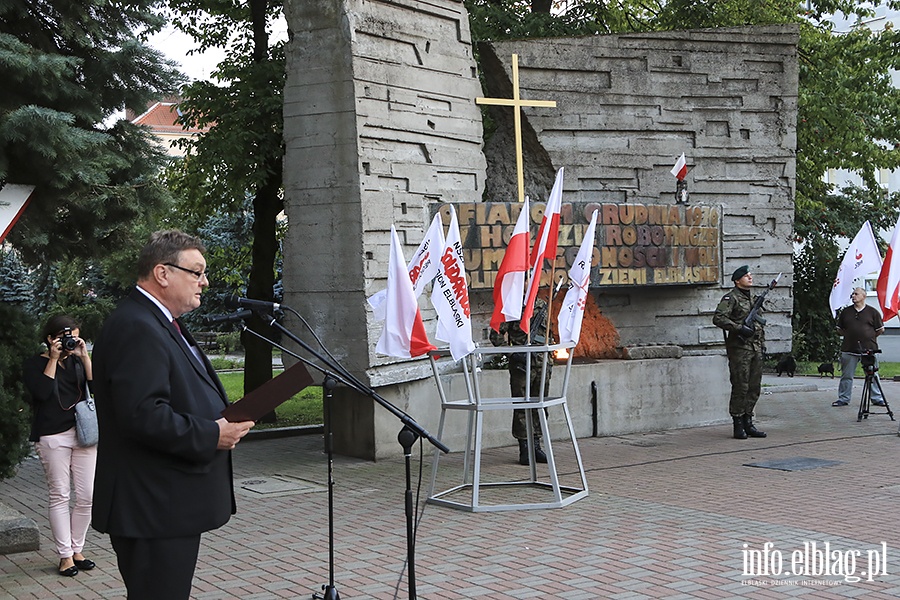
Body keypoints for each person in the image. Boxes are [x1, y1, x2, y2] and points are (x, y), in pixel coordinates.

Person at [91, 230, 254, 600]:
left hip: (164, 504)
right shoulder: (137, 325)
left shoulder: (161, 322)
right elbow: (143, 415)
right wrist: (212, 434)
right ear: (163, 274)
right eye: (196, 272)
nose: (205, 282)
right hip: (152, 507)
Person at [22, 315, 97, 577]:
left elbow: (96, 387)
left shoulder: (77, 360)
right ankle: (65, 556)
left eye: (74, 337)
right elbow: (42, 393)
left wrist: (85, 356)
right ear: (50, 338)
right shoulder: (34, 363)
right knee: (60, 495)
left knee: (87, 496)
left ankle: (78, 549)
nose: (69, 342)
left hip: (84, 433)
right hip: (53, 436)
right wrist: (53, 359)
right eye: (65, 338)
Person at [490, 296, 553, 465]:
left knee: (539, 406)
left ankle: (536, 446)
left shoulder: (542, 305)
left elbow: (548, 334)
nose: (528, 282)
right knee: (522, 408)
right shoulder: (511, 306)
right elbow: (495, 336)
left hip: (542, 364)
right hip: (521, 366)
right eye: (525, 278)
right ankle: (524, 448)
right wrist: (512, 354)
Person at [713, 265, 767, 440]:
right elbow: (718, 318)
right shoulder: (731, 298)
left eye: (750, 275)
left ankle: (748, 421)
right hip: (740, 350)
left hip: (756, 348)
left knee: (754, 387)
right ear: (737, 281)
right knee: (740, 387)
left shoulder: (754, 299)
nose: (750, 277)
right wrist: (739, 328)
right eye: (746, 275)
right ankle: (737, 423)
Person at [833, 287, 885, 407]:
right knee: (846, 375)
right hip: (849, 348)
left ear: (864, 296)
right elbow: (840, 329)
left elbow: (880, 329)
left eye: (856, 294)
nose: (853, 296)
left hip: (869, 349)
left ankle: (876, 398)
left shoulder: (872, 312)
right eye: (852, 294)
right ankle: (844, 398)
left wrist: (868, 337)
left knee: (872, 374)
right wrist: (851, 335)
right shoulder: (846, 312)